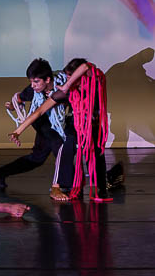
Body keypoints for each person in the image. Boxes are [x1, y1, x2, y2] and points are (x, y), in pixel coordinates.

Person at [8, 58, 117, 201]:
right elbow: (39, 111)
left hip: (93, 126)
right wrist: (18, 131)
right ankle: (59, 186)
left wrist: (67, 85)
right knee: (66, 143)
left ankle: (101, 187)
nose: (68, 80)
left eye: (71, 77)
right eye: (67, 77)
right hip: (75, 124)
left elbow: (85, 66)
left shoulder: (94, 81)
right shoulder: (65, 93)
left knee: (97, 155)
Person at [0, 58, 76, 201]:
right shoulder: (32, 90)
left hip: (58, 121)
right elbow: (20, 100)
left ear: (47, 79)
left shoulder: (63, 85)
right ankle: (57, 187)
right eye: (31, 81)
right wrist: (12, 107)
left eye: (36, 82)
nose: (33, 85)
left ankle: (2, 172)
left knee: (37, 158)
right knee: (60, 145)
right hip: (41, 122)